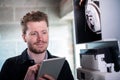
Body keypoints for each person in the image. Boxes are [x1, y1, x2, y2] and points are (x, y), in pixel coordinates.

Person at [0, 11, 74, 80]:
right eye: (34, 34)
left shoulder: (63, 65)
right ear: (24, 37)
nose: (40, 39)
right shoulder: (9, 66)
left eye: (44, 32)